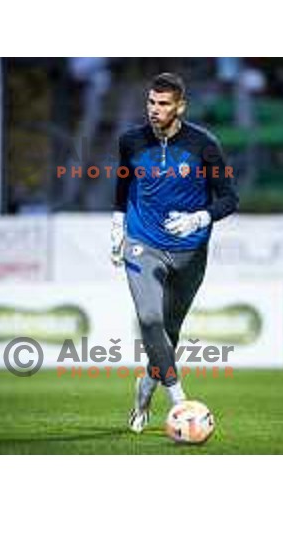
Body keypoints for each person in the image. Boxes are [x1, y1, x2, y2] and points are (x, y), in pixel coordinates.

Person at [111, 72, 238, 433]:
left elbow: (230, 198)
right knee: (149, 319)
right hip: (143, 243)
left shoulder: (204, 145)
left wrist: (200, 217)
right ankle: (180, 402)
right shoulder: (130, 141)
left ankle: (144, 391)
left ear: (180, 106)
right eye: (151, 102)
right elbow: (123, 185)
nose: (155, 110)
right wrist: (117, 225)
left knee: (169, 331)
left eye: (163, 104)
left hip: (190, 251)